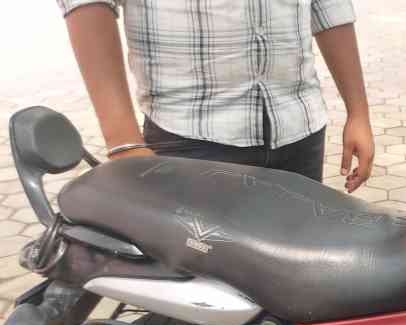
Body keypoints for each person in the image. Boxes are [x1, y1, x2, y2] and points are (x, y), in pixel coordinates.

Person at [57, 0, 374, 189]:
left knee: (293, 284)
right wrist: (123, 143)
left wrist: (358, 112)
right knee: (199, 294)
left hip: (299, 130)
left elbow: (327, 7)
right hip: (190, 141)